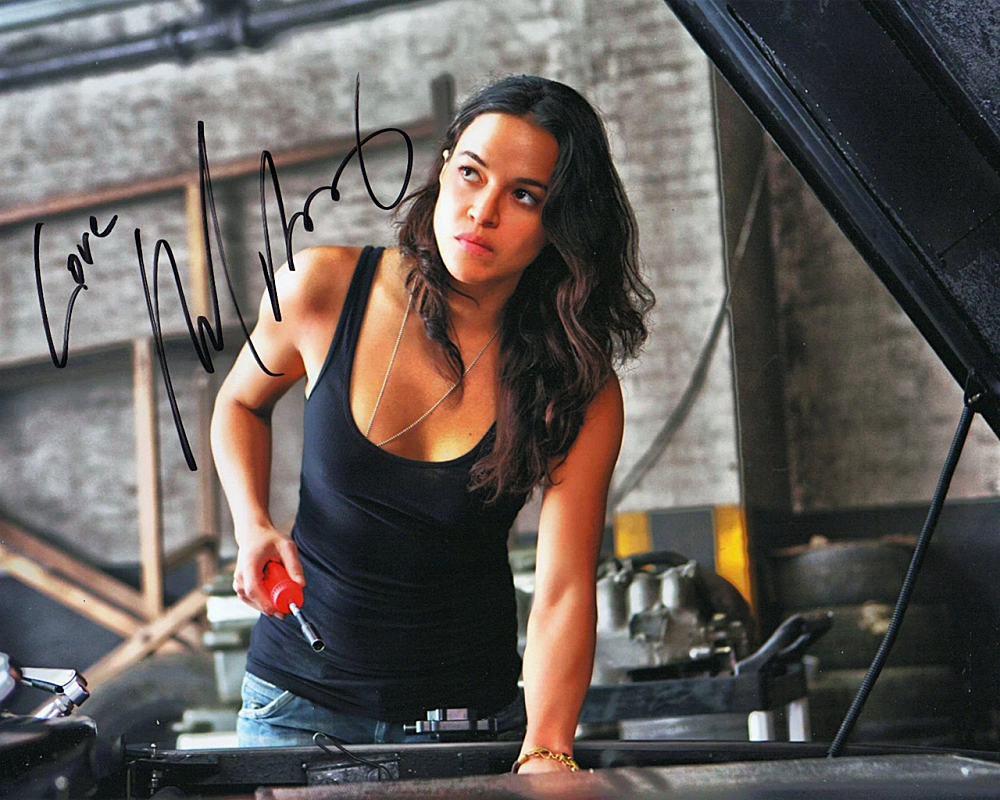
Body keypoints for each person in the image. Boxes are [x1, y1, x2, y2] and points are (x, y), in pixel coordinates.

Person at [211, 74, 653, 772]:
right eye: (472, 173)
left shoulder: (574, 384)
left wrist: (547, 747)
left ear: (561, 222)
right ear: (444, 166)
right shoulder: (321, 288)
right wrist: (252, 523)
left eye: (525, 196)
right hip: (296, 710)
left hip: (468, 724)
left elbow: (564, 588)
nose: (482, 212)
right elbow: (239, 404)